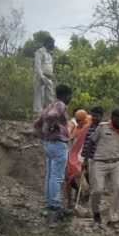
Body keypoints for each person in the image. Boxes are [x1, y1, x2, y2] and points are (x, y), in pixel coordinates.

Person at [89, 109, 119, 225]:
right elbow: (91, 141)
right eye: (116, 119)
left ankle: (113, 217)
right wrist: (86, 159)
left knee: (118, 188)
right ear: (112, 118)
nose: (118, 122)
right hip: (99, 162)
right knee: (97, 190)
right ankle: (95, 212)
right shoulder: (102, 127)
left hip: (117, 163)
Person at [34, 84, 73, 214]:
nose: (70, 99)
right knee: (57, 176)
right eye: (70, 96)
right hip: (58, 144)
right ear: (67, 96)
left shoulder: (50, 105)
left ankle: (49, 202)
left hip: (49, 143)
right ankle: (55, 205)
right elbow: (52, 116)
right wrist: (52, 128)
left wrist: (44, 133)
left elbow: (36, 123)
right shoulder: (60, 105)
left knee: (50, 175)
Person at [65, 109, 92, 208]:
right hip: (72, 156)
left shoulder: (89, 124)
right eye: (77, 120)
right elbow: (69, 129)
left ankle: (81, 203)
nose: (77, 122)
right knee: (68, 177)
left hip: (85, 156)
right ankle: (70, 201)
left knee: (86, 183)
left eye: (79, 120)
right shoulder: (73, 126)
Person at [33, 36, 55, 116]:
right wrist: (41, 77)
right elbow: (37, 65)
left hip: (49, 77)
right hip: (40, 76)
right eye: (52, 43)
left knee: (50, 96)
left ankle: (50, 114)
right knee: (39, 96)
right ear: (46, 43)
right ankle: (37, 115)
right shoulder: (40, 51)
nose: (53, 45)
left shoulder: (50, 53)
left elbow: (49, 66)